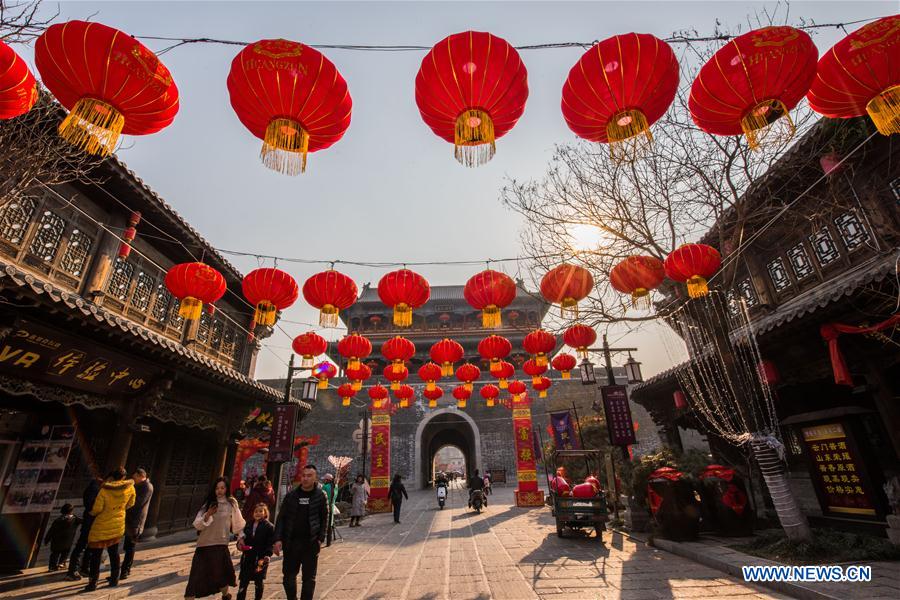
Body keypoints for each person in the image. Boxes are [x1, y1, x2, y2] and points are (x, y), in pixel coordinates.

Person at [184, 477, 245, 600]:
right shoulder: (209, 504)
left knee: (220, 575)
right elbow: (197, 524)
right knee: (195, 578)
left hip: (220, 544)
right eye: (217, 488)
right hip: (203, 545)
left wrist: (241, 537)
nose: (219, 491)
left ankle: (226, 595)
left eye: (222, 488)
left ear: (227, 489)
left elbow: (238, 523)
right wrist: (208, 514)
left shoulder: (231, 503)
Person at [274, 464, 328, 600]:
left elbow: (324, 519)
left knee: (309, 578)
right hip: (291, 543)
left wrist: (321, 538)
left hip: (311, 543)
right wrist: (278, 539)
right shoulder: (291, 496)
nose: (305, 478)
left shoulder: (320, 496)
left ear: (315, 478)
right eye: (304, 475)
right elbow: (281, 518)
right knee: (288, 577)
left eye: (309, 476)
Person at [83, 468, 135, 591]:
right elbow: (131, 503)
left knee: (96, 554)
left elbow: (97, 508)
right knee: (114, 552)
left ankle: (93, 582)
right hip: (118, 523)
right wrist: (120, 510)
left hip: (102, 523)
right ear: (123, 477)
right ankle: (114, 578)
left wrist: (91, 513)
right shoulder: (130, 488)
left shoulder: (105, 489)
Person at [236, 503, 275, 600]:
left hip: (261, 559)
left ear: (265, 513)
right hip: (247, 558)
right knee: (243, 581)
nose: (258, 513)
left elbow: (270, 543)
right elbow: (241, 538)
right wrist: (240, 545)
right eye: (256, 511)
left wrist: (268, 554)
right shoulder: (248, 524)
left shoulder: (269, 527)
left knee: (258, 580)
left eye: (260, 511)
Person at [120, 467, 153, 580]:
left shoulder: (146, 487)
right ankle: (126, 570)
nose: (134, 479)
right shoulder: (142, 486)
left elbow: (138, 503)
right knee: (129, 546)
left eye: (135, 477)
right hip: (132, 520)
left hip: (136, 521)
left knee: (130, 547)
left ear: (140, 476)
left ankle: (124, 571)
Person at [66, 477, 101, 580]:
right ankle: (73, 570)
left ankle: (84, 567)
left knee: (89, 547)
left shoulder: (95, 488)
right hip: (90, 522)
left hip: (92, 522)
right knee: (82, 546)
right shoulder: (94, 489)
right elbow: (90, 506)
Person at [44, 503, 82, 571]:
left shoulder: (58, 520)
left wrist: (46, 540)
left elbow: (51, 531)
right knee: (65, 553)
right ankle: (61, 563)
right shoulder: (75, 519)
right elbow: (83, 521)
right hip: (68, 541)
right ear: (71, 511)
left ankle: (52, 567)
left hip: (56, 541)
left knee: (55, 554)